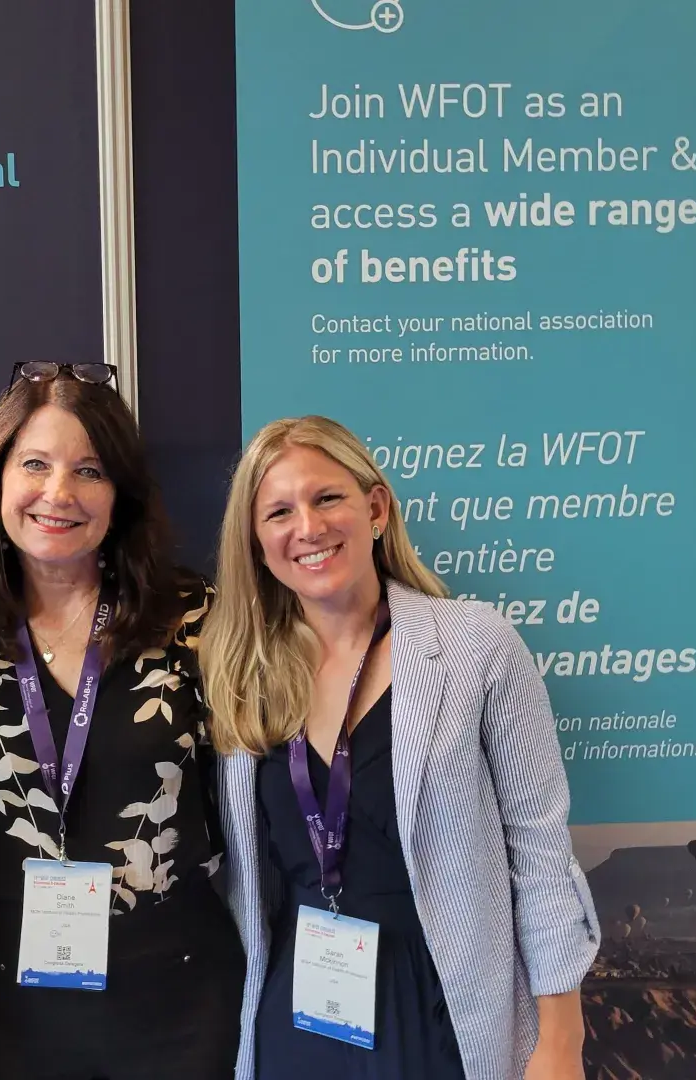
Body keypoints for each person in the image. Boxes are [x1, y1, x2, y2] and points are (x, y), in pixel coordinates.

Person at [200, 415, 601, 1080]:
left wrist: (560, 1042)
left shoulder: (477, 647)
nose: (308, 526)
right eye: (278, 512)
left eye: (328, 498)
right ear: (257, 544)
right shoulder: (243, 674)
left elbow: (540, 852)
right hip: (299, 1008)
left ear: (376, 509)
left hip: (440, 1004)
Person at [0, 361, 244, 1079]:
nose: (58, 494)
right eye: (35, 464)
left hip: (179, 988)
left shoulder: (193, 619)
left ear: (120, 494)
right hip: (12, 997)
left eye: (89, 471)